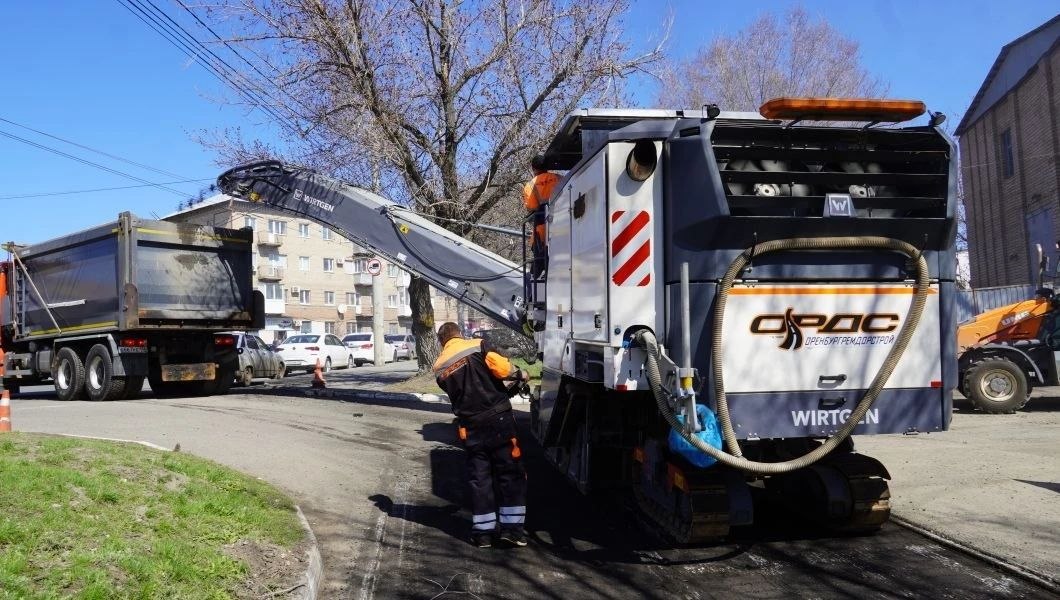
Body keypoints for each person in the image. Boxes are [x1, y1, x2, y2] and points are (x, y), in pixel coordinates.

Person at [432, 321, 529, 548]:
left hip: (470, 427)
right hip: (499, 420)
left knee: (480, 478)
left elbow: (458, 390)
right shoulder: (478, 345)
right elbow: (502, 370)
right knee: (510, 472)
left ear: (442, 341)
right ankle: (512, 531)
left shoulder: (439, 366)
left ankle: (483, 534)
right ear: (459, 334)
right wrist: (521, 373)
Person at [522, 154, 560, 279]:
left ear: (534, 168)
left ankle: (538, 276)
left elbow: (530, 207)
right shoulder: (559, 178)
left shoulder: (530, 185)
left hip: (542, 227)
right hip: (562, 223)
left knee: (540, 257)